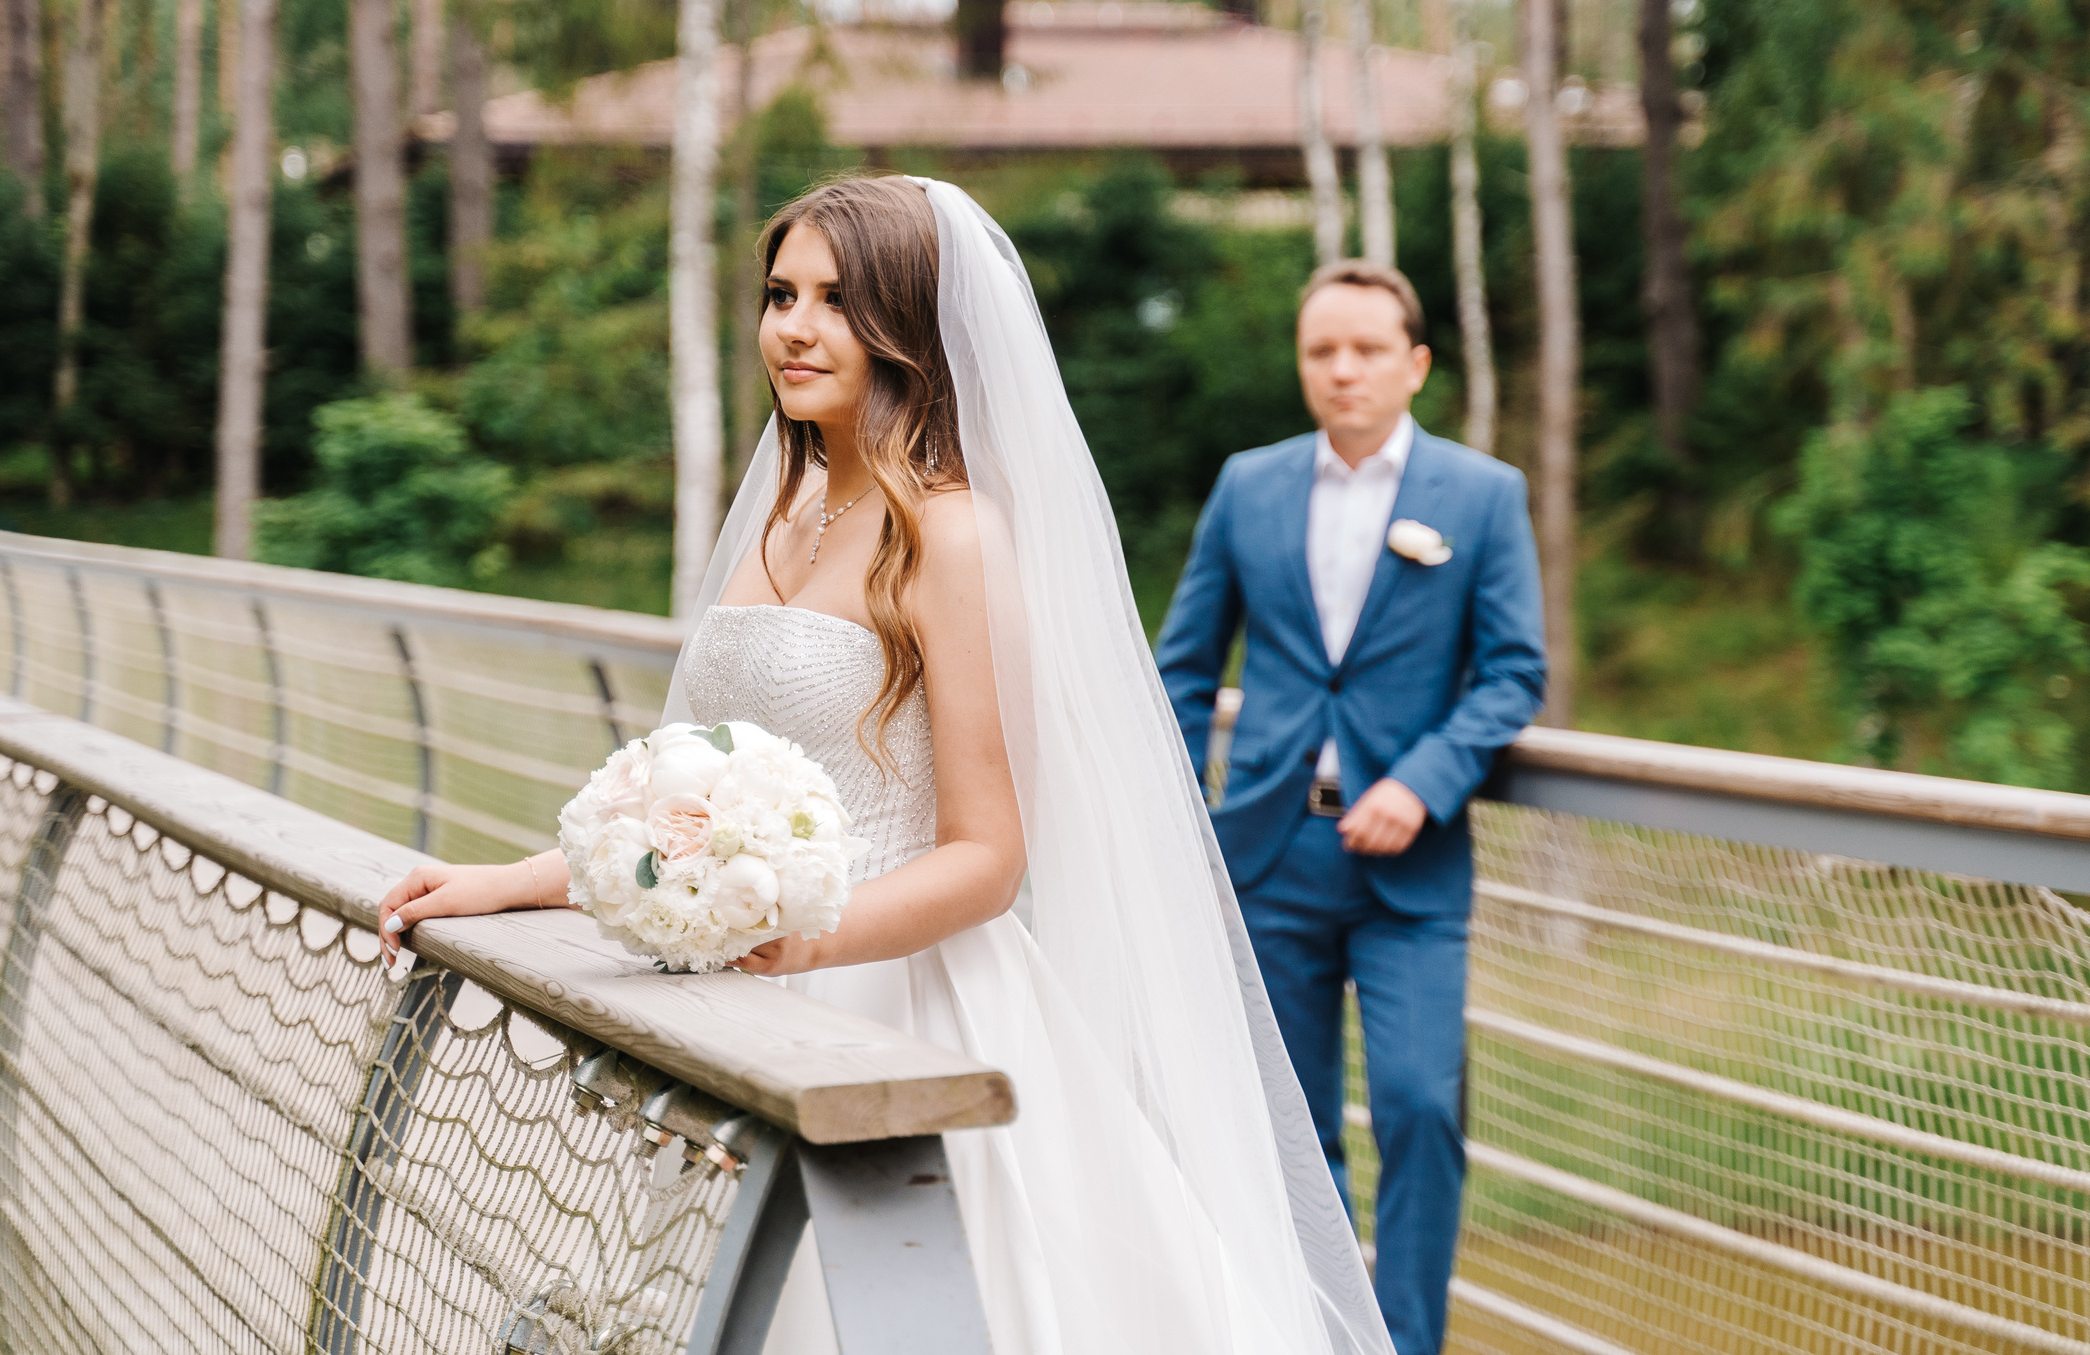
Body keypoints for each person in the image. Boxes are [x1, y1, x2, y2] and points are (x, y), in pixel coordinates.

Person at [379, 177, 1393, 1355]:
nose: (794, 328)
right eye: (779, 294)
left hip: (902, 997)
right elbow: (688, 812)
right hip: (738, 1002)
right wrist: (513, 879)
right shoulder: (782, 514)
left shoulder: (952, 535)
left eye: (837, 302)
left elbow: (987, 857)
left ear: (908, 331)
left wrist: (813, 939)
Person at [1154, 261, 1546, 1355]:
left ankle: (1407, 1343)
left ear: (1415, 364)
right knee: (1290, 1129)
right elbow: (1181, 666)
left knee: (1422, 1110)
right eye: (1321, 350)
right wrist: (1181, 810)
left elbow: (1512, 673)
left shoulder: (1481, 495)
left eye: (1367, 349)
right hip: (1269, 857)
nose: (1342, 370)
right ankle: (1313, 1333)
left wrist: (1421, 783)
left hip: (1409, 871)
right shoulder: (1248, 485)